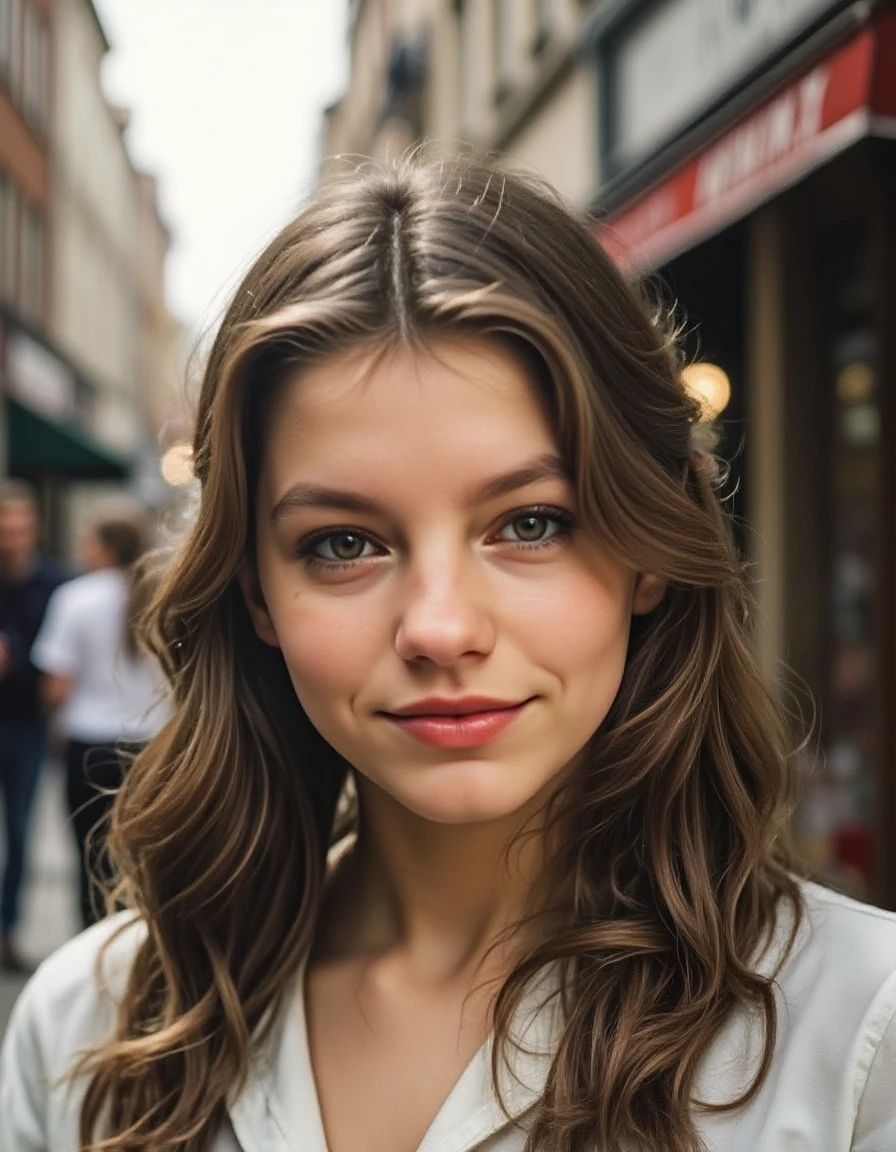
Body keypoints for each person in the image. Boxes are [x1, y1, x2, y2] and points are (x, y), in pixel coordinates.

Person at [1, 153, 895, 1152]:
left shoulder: (859, 1038)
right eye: (343, 544)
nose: (437, 627)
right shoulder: (88, 1028)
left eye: (530, 523)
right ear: (255, 591)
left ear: (647, 549)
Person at [29, 513, 170, 929]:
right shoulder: (163, 594)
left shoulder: (76, 597)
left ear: (107, 548)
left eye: (87, 541)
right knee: (140, 855)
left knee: (90, 856)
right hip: (150, 742)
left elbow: (56, 685)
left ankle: (91, 942)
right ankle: (137, 937)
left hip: (89, 744)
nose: (80, 550)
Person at [0, 480, 67, 974]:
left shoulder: (57, 583)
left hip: (26, 725)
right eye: (5, 526)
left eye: (20, 525)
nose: (13, 534)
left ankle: (7, 931)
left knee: (20, 833)